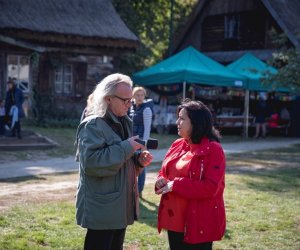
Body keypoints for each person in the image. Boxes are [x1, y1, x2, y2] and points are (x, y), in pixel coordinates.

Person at [75, 73, 153, 250]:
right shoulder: (92, 125)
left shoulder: (124, 121)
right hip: (102, 207)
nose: (129, 104)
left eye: (130, 100)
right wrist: (127, 147)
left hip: (118, 206)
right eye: (125, 100)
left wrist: (138, 162)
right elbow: (91, 164)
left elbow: (122, 161)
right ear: (108, 98)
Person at [155, 99, 226, 250]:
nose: (177, 122)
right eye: (178, 118)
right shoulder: (177, 144)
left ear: (196, 122)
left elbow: (210, 187)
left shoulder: (214, 150)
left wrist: (175, 184)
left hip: (198, 222)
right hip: (174, 221)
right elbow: (165, 171)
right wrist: (160, 180)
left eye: (182, 118)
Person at [129, 86, 154, 198]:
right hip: (132, 141)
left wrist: (144, 145)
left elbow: (147, 128)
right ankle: (132, 189)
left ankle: (139, 190)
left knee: (141, 166)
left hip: (141, 142)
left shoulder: (146, 109)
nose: (140, 97)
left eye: (142, 95)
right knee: (131, 166)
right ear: (133, 96)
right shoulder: (131, 108)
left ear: (144, 96)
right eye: (137, 95)